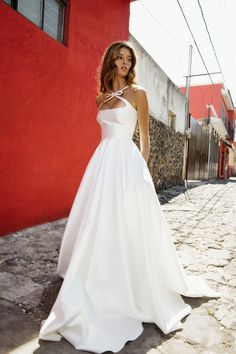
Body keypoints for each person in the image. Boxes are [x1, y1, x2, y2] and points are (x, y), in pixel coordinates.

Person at [38, 41, 220, 353]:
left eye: (128, 58)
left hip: (127, 162)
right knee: (99, 220)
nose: (124, 62)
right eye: (119, 58)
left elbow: (145, 137)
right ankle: (96, 275)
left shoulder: (139, 94)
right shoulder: (100, 97)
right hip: (102, 163)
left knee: (129, 221)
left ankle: (131, 280)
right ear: (110, 62)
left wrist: (142, 173)